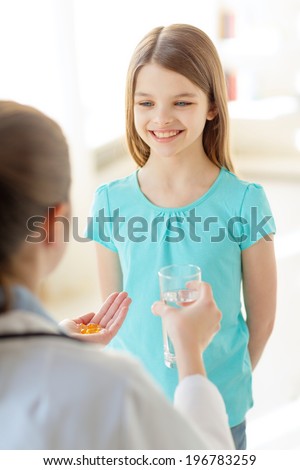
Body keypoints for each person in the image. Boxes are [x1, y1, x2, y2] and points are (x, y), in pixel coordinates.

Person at [0, 100, 234, 450]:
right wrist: (189, 352)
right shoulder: (114, 390)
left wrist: (57, 344)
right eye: (146, 102)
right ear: (51, 225)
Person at [87, 24, 277, 450]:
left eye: (182, 102)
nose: (161, 118)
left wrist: (219, 387)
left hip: (219, 409)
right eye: (147, 103)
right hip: (138, 408)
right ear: (131, 107)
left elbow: (261, 318)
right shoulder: (109, 202)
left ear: (212, 105)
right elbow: (114, 317)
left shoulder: (245, 202)